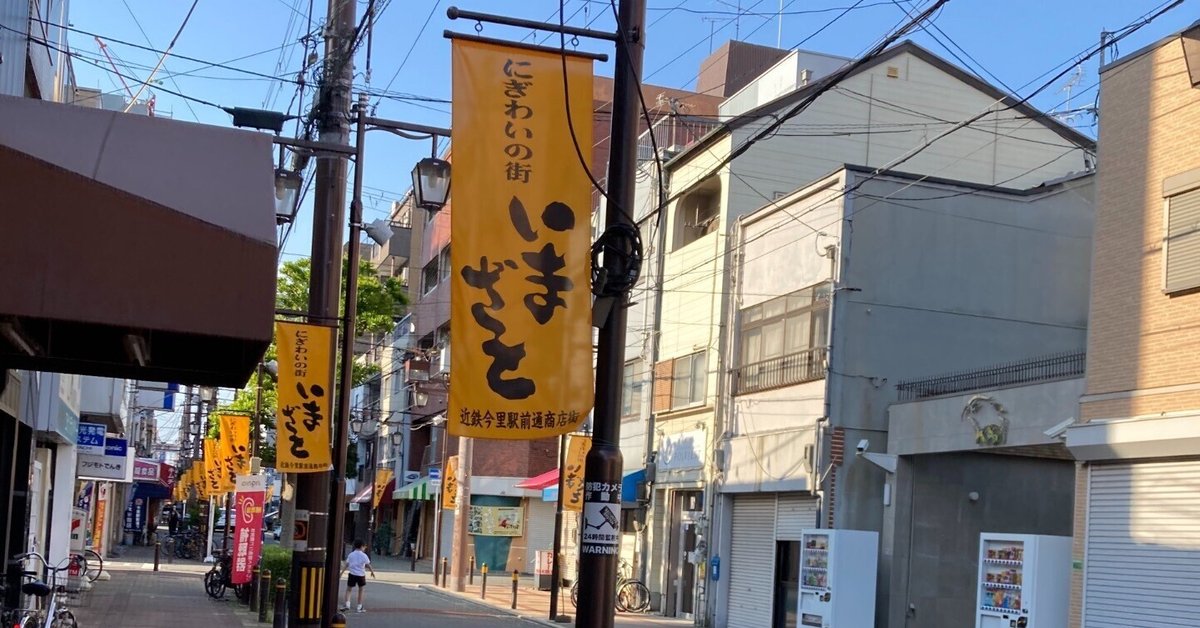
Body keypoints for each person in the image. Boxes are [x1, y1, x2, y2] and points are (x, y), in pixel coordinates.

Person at [340, 540, 375, 613]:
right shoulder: (364, 555)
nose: (365, 548)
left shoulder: (351, 554)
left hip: (352, 574)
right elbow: (368, 565)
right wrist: (372, 572)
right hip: (361, 575)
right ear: (362, 546)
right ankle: (359, 606)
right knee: (361, 590)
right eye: (364, 547)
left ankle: (347, 604)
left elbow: (346, 564)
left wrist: (341, 573)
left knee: (349, 589)